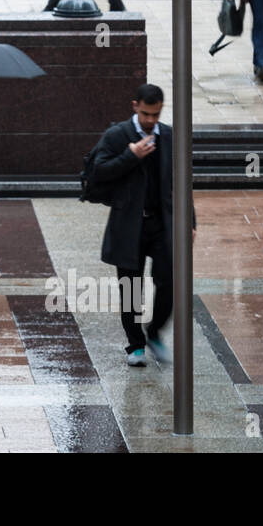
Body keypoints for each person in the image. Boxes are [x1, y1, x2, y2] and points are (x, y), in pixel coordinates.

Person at [88, 84, 197, 366]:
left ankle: (155, 331)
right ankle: (135, 344)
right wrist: (131, 155)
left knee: (171, 281)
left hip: (162, 223)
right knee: (131, 287)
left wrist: (191, 221)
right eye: (146, 113)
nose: (151, 120)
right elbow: (99, 172)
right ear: (135, 106)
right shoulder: (117, 135)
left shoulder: (170, 137)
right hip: (128, 224)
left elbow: (182, 182)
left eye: (156, 114)